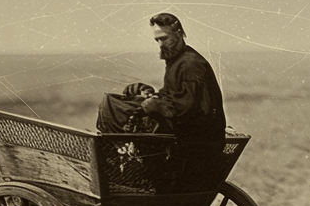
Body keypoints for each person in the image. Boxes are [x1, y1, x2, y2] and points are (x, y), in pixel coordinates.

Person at [96, 13, 226, 144]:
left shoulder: (190, 64)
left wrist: (157, 105)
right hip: (186, 129)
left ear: (178, 34)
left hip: (197, 138)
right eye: (157, 40)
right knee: (113, 102)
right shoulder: (177, 59)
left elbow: (188, 111)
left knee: (113, 108)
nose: (160, 44)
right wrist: (149, 93)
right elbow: (174, 96)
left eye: (163, 38)